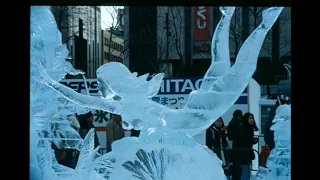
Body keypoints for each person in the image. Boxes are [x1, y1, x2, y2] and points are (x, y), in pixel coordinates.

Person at [236, 112, 259, 180]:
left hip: (247, 153)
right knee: (245, 171)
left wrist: (252, 140)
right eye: (250, 118)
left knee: (246, 170)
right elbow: (244, 141)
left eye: (252, 118)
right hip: (244, 153)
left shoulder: (248, 128)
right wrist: (252, 140)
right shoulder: (244, 128)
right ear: (246, 119)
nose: (252, 120)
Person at [227, 109, 243, 180]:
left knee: (234, 165)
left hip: (233, 145)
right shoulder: (238, 123)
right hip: (238, 146)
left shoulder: (231, 122)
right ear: (239, 116)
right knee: (238, 165)